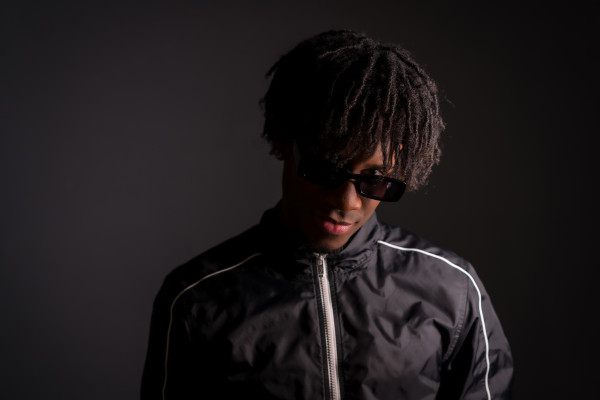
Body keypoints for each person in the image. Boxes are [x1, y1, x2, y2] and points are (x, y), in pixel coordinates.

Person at [141, 29, 513, 400]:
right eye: (326, 169)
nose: (347, 203)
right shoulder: (196, 299)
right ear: (282, 142)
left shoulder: (453, 289)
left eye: (375, 179)